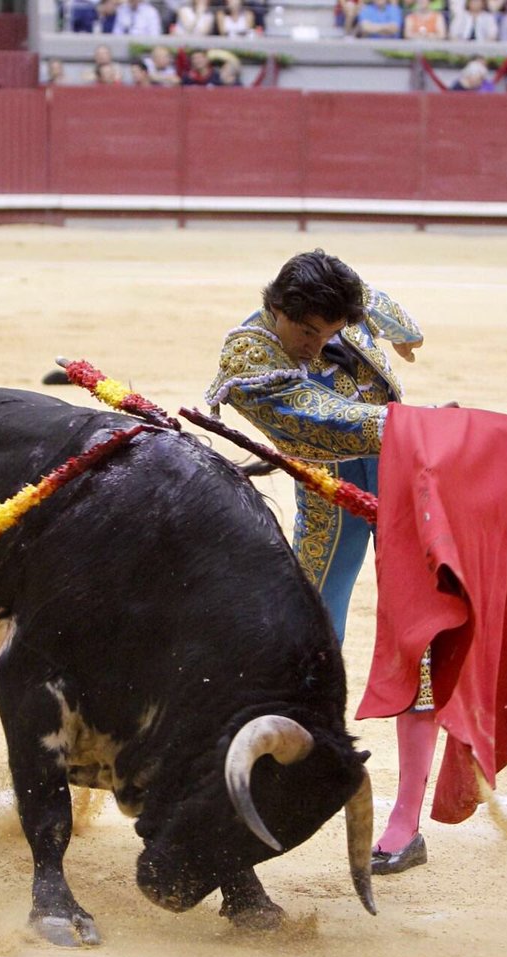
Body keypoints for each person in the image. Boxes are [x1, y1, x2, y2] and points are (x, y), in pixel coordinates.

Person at [205, 250, 436, 876]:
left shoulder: (338, 310)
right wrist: (409, 425)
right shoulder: (247, 356)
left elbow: (373, 299)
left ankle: (407, 820)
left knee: (419, 633)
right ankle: (288, 776)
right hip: (333, 487)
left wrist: (403, 329)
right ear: (275, 309)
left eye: (330, 334)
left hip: (401, 476)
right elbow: (320, 421)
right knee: (306, 637)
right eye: (307, 333)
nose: (317, 345)